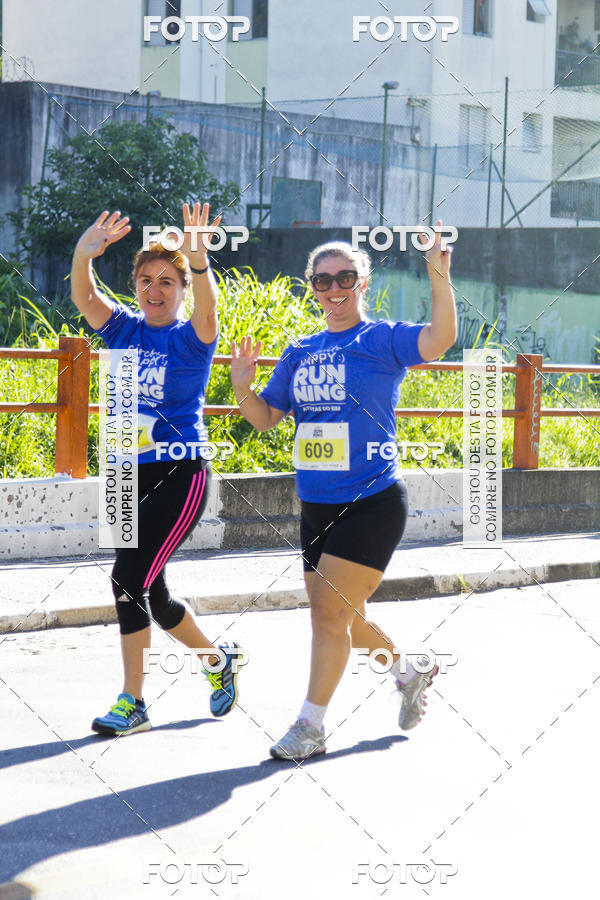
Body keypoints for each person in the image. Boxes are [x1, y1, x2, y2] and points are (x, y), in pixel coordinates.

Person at [231, 223, 457, 760]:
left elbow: (440, 339)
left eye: (345, 277)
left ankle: (310, 726)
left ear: (363, 282)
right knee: (343, 618)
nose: (334, 288)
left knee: (327, 617)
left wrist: (439, 273)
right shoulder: (301, 350)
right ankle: (408, 670)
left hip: (372, 501)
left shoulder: (380, 339)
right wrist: (243, 385)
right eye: (323, 279)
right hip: (317, 505)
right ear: (312, 286)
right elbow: (265, 418)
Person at [70, 202, 241, 737]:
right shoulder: (122, 330)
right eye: (146, 280)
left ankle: (133, 702)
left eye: (169, 281)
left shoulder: (191, 339)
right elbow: (85, 297)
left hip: (178, 474)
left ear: (183, 290)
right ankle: (216, 661)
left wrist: (198, 259)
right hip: (126, 475)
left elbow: (210, 313)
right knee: (153, 593)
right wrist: (83, 253)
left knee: (126, 579)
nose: (155, 289)